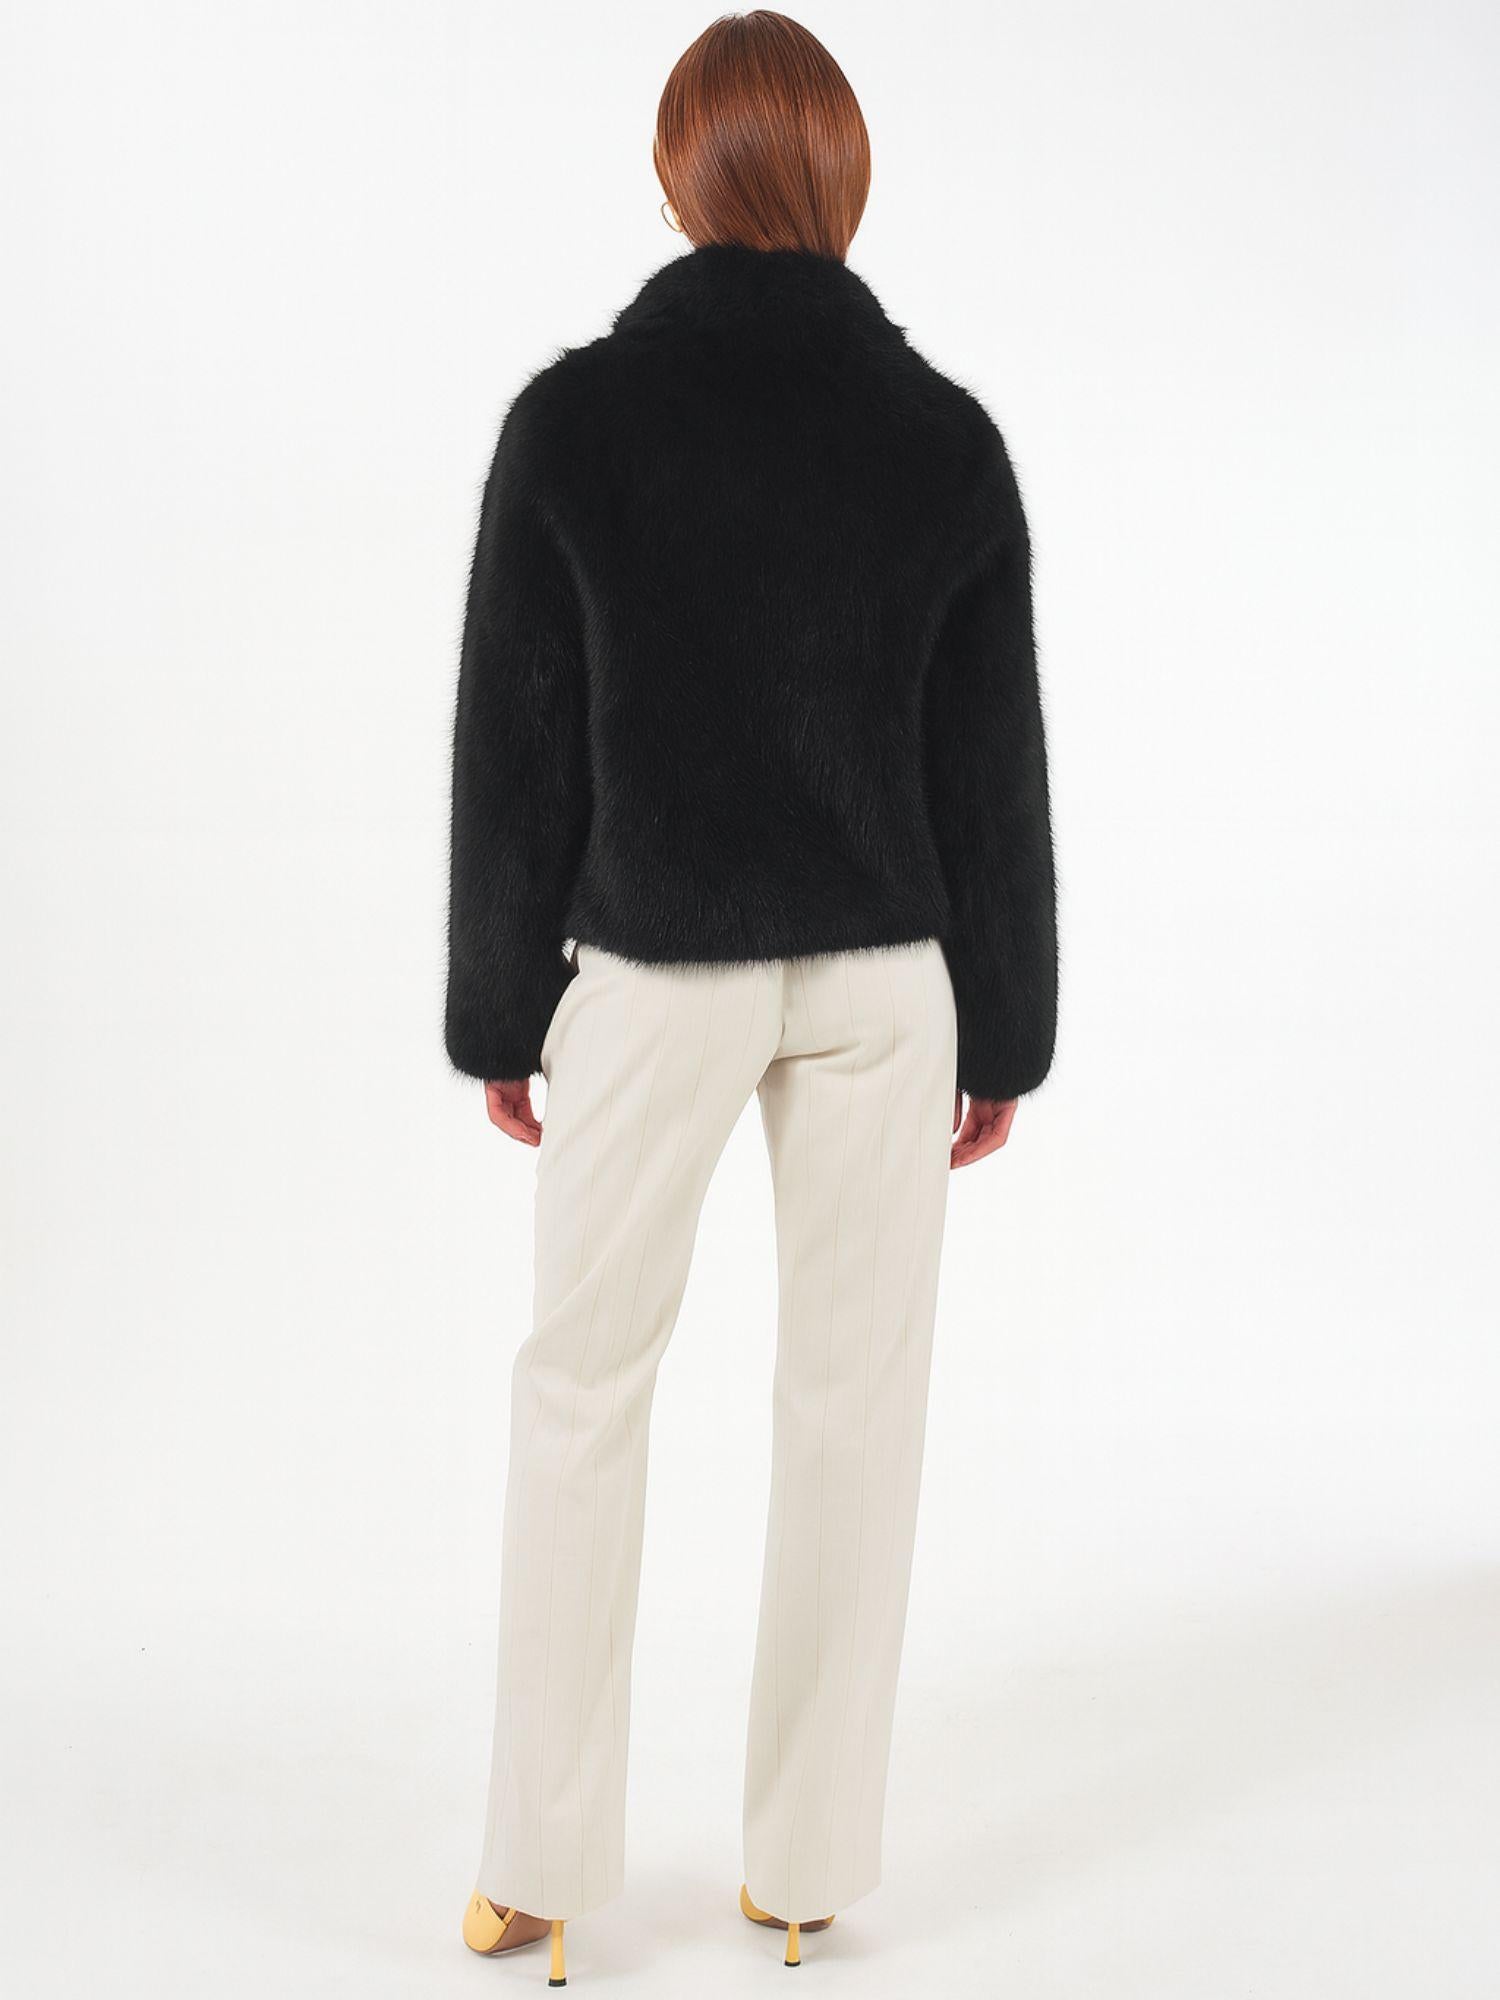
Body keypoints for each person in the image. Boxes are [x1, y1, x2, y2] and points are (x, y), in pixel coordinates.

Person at [446, 10, 1057, 1982]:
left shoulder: (575, 425)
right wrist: (1008, 1024)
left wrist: (497, 1005)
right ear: (845, 178)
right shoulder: (943, 439)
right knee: (855, 1406)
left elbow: (518, 740)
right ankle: (804, 1872)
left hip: (653, 966)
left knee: (581, 1387)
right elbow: (990, 764)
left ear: (676, 177)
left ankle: (539, 1873)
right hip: (887, 977)